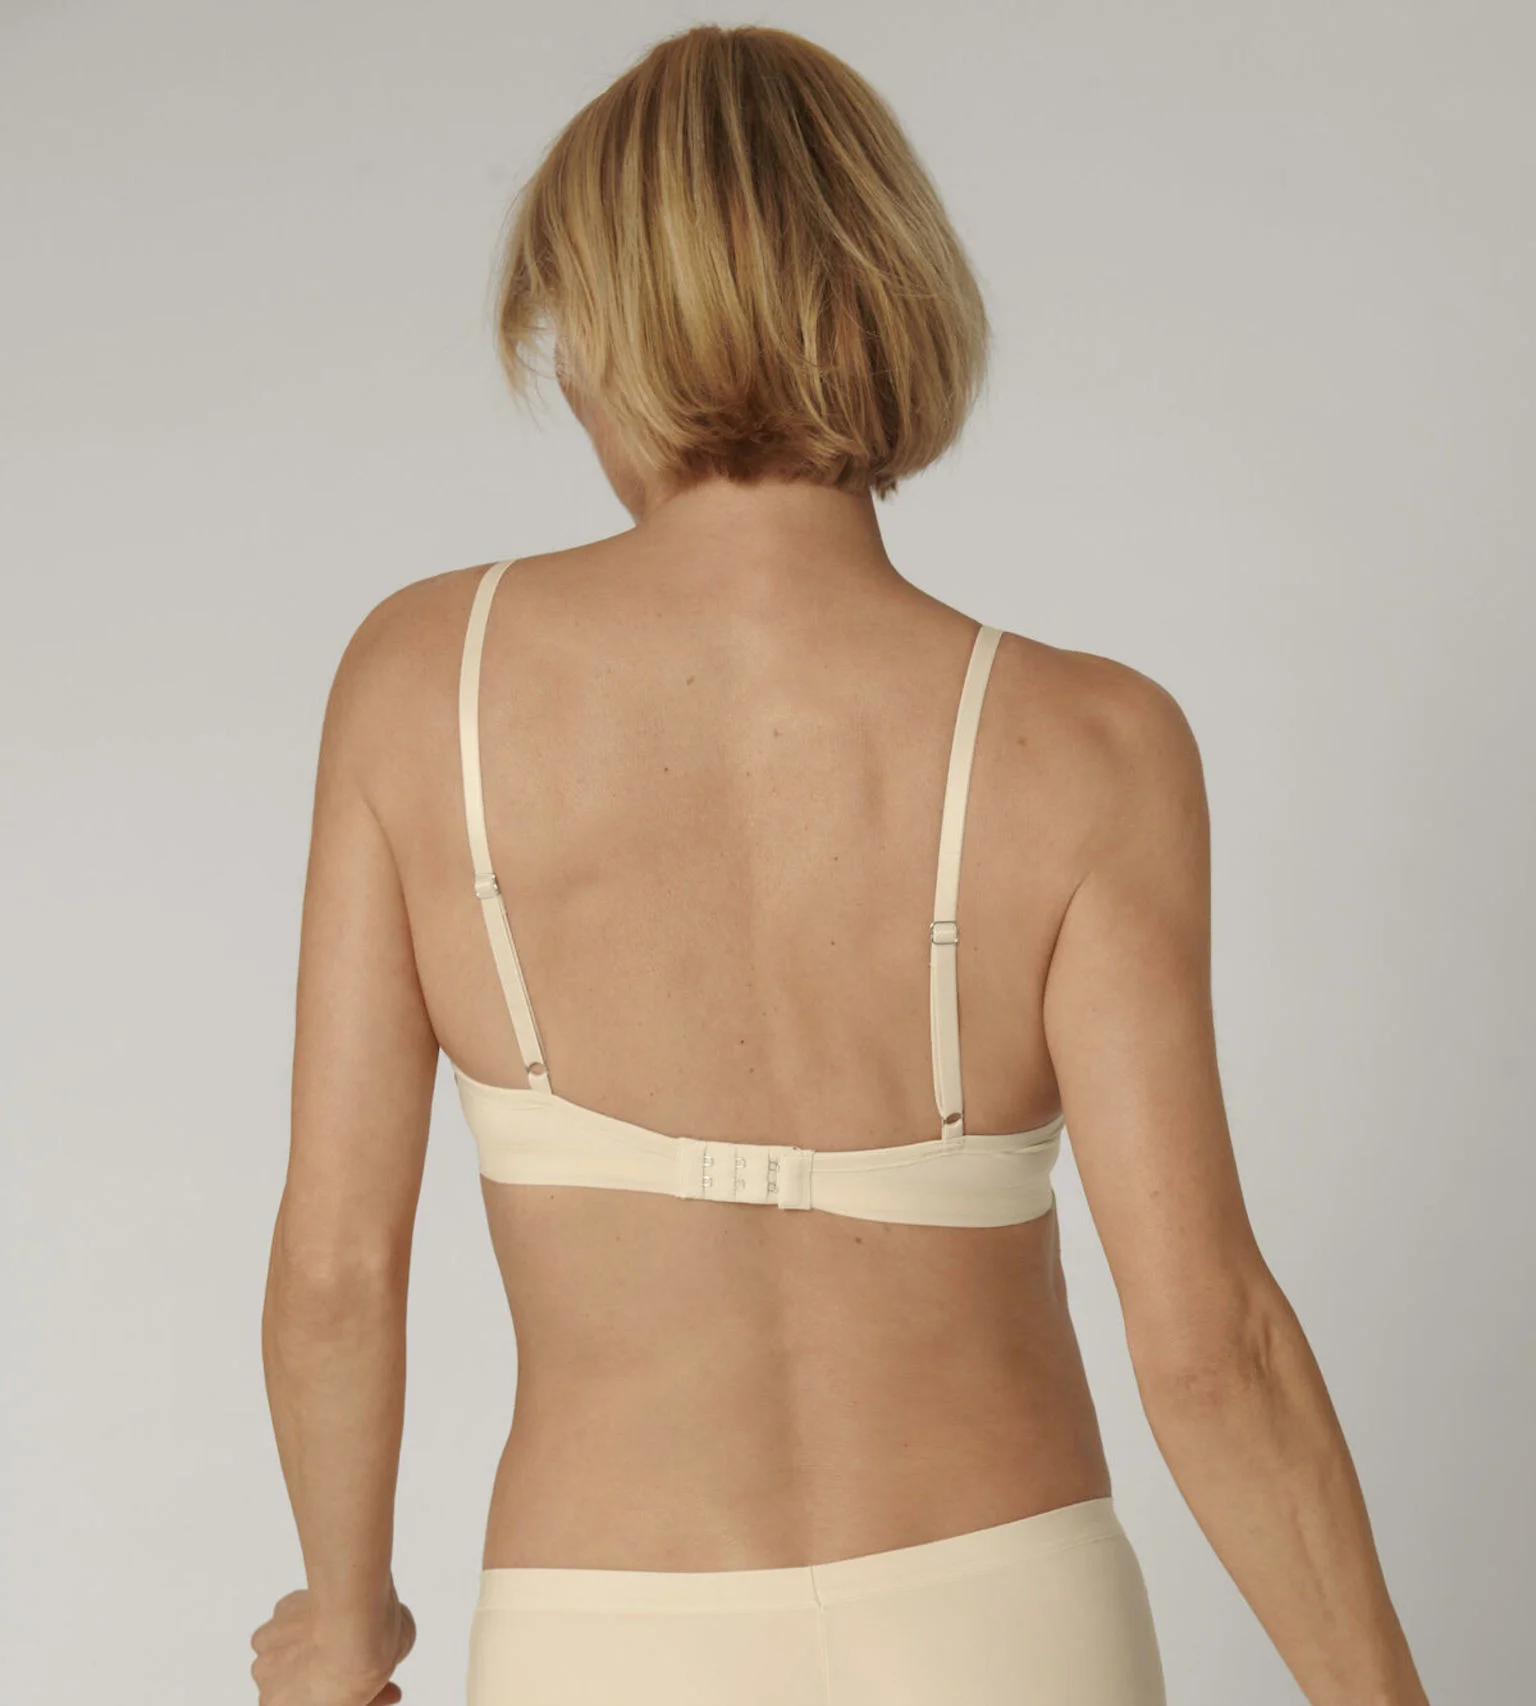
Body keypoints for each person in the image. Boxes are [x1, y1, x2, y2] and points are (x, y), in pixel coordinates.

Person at [250, 23, 1432, 1706]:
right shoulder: (1091, 747)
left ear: (617, 322)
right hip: (1009, 1623)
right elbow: (1212, 1348)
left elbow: (335, 1273)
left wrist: (345, 1626)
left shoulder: (420, 684)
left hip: (605, 1634)